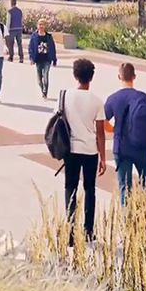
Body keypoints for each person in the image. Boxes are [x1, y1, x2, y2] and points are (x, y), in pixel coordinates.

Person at [60, 58, 105, 241]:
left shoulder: (65, 96)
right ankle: (88, 231)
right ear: (91, 78)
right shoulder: (96, 101)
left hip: (71, 149)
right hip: (90, 151)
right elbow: (100, 133)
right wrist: (103, 158)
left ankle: (70, 232)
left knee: (70, 188)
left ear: (75, 75)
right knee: (89, 189)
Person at [101, 62, 146, 199]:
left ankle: (126, 213)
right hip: (141, 147)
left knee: (124, 188)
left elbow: (102, 121)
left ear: (119, 77)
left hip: (121, 148)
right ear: (134, 76)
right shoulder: (143, 97)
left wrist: (114, 130)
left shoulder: (113, 98)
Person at [29, 22, 57, 99]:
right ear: (37, 26)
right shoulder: (34, 36)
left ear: (45, 26)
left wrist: (54, 60)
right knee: (39, 79)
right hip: (38, 60)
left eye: (43, 24)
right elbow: (31, 48)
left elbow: (53, 48)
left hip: (47, 59)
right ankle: (42, 89)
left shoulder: (48, 37)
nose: (41, 26)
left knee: (46, 76)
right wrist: (31, 58)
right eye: (40, 24)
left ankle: (45, 92)